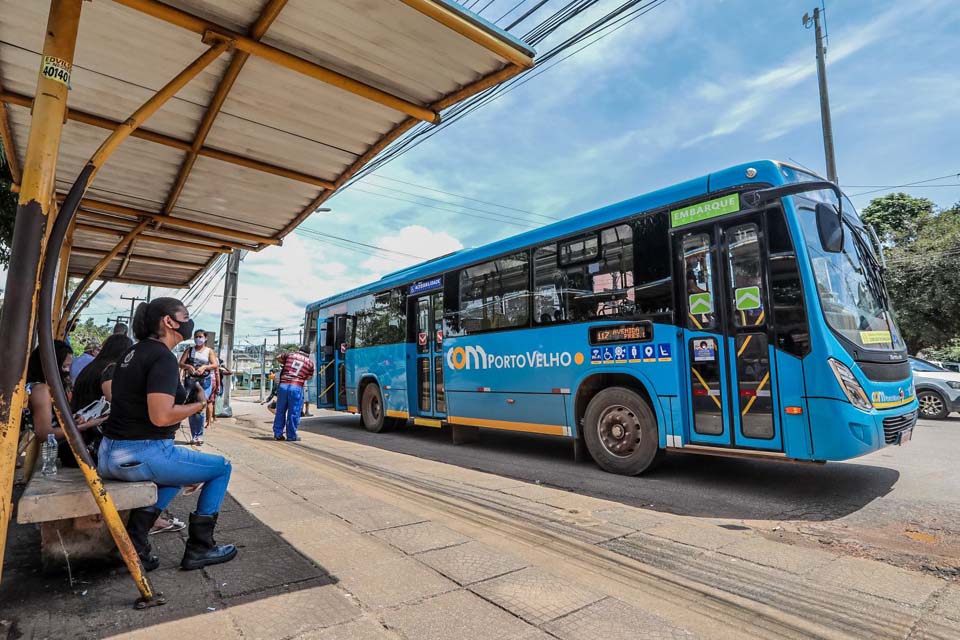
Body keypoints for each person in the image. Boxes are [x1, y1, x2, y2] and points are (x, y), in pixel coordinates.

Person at [98, 297, 236, 572]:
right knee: (222, 468)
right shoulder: (162, 357)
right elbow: (160, 416)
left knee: (173, 481)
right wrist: (198, 405)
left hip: (109, 454)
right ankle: (200, 548)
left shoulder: (131, 353)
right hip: (143, 453)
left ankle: (133, 546)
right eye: (184, 316)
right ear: (169, 322)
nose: (190, 322)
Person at [24, 341, 107, 463]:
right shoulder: (41, 390)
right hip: (54, 448)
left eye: (69, 366)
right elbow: (46, 434)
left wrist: (73, 420)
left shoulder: (37, 387)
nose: (68, 371)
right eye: (64, 367)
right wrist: (85, 426)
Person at [67, 334, 133, 467]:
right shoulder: (110, 369)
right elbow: (116, 403)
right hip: (90, 443)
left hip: (76, 440)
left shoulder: (91, 367)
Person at [178, 329, 219, 445]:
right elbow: (180, 363)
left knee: (200, 407)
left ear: (205, 338)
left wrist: (205, 367)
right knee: (192, 409)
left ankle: (199, 435)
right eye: (196, 336)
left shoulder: (209, 351)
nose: (198, 339)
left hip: (204, 382)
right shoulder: (189, 350)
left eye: (200, 336)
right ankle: (194, 435)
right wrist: (187, 366)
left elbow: (215, 365)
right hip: (191, 382)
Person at [272, 346, 314, 442]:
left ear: (299, 350)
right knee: (294, 412)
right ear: (308, 354)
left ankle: (278, 434)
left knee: (280, 411)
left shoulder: (290, 355)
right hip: (296, 387)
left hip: (283, 386)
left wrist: (285, 364)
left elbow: (278, 357)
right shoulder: (309, 363)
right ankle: (291, 436)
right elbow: (309, 377)